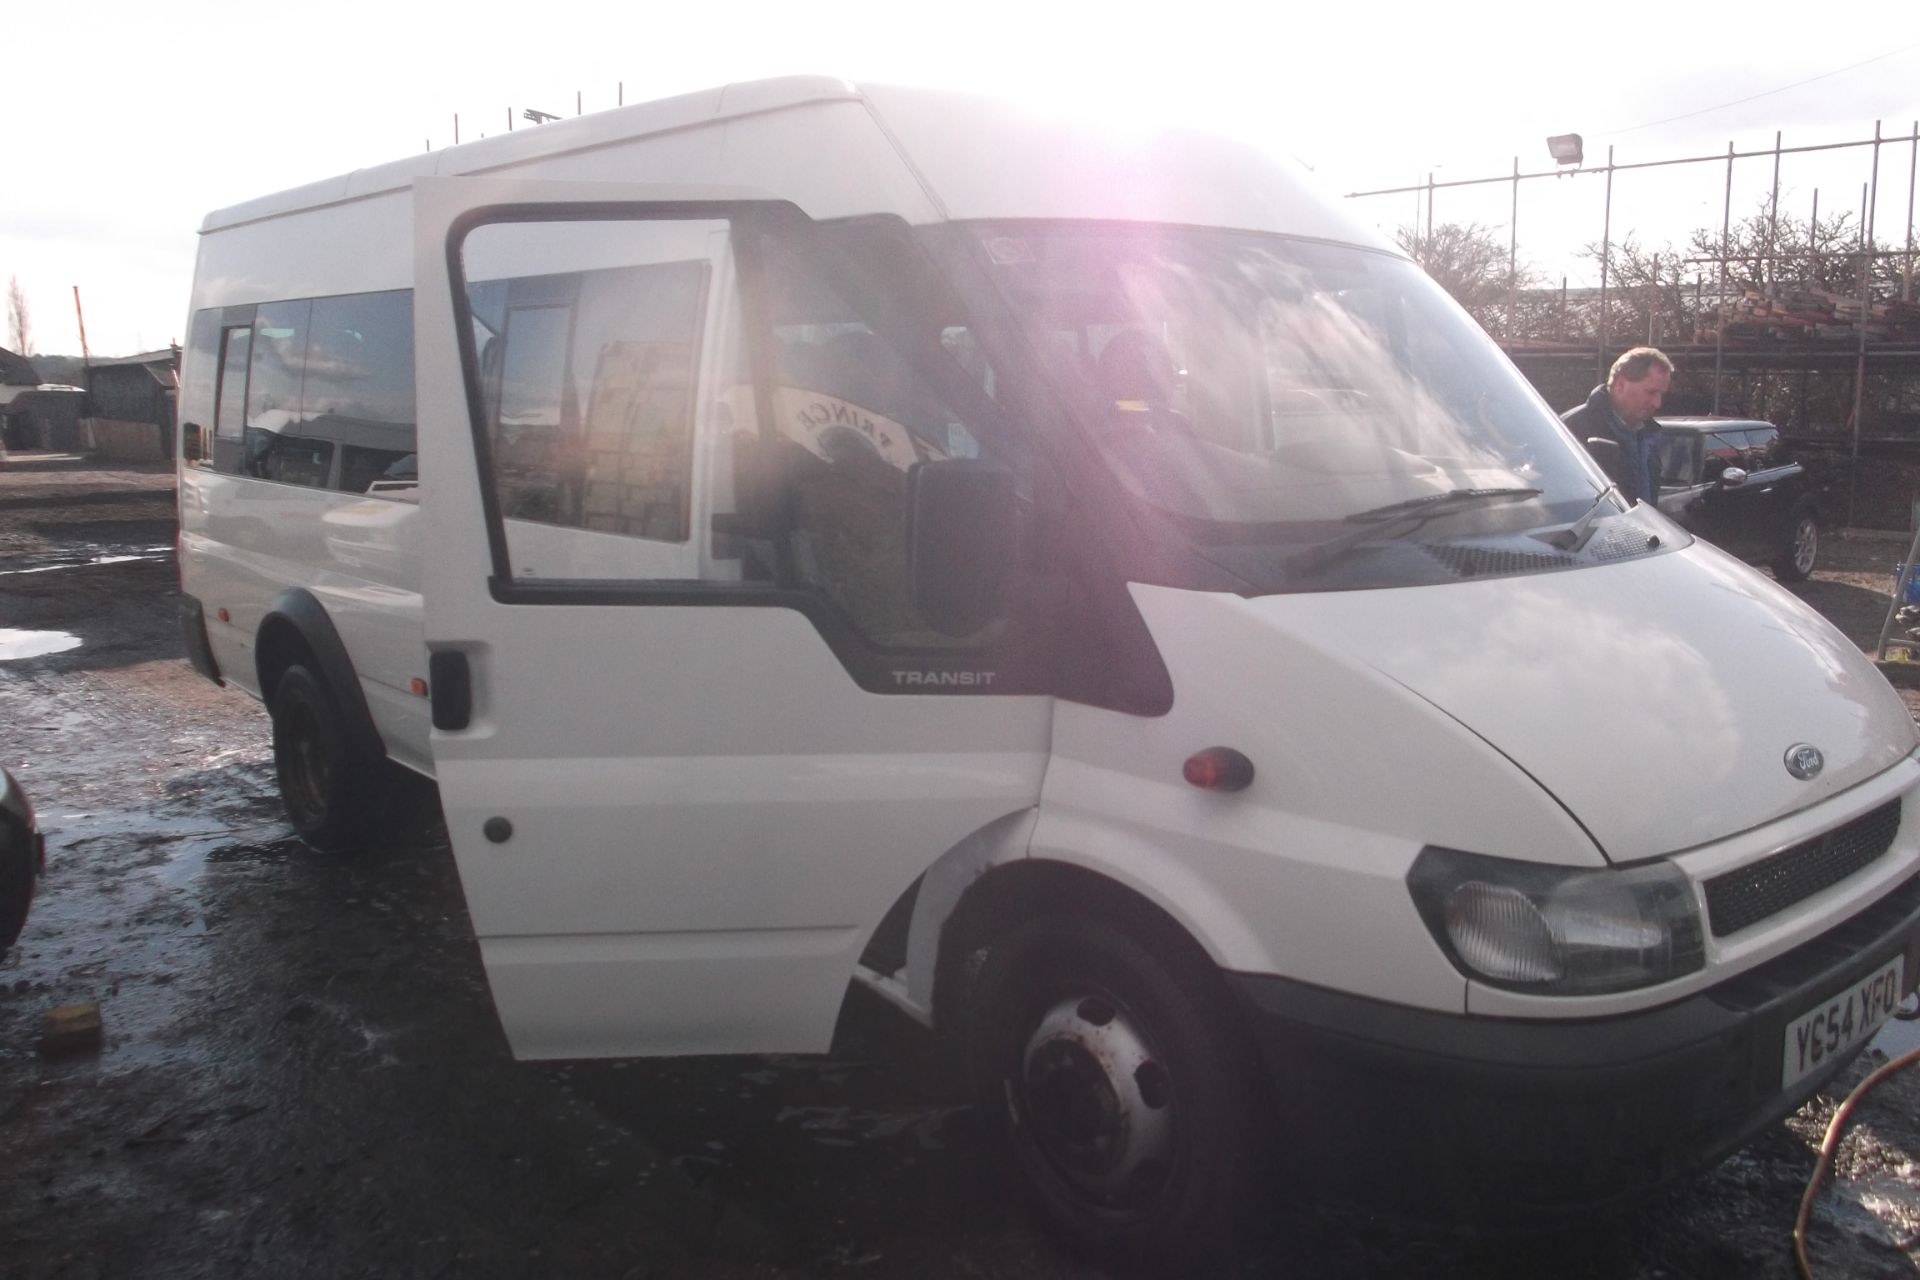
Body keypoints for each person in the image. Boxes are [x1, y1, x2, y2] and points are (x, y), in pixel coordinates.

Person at [1561, 347, 1674, 505]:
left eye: (1661, 394)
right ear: (1620, 385)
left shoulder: (1648, 435)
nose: (1658, 403)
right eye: (1650, 392)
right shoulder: (1570, 430)